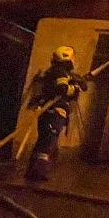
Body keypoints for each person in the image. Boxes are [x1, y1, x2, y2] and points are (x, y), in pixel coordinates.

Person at [25, 45, 89, 181]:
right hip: (53, 112)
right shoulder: (60, 72)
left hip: (49, 112)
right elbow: (62, 89)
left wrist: (80, 82)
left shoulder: (59, 72)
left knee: (44, 142)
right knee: (47, 143)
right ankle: (38, 173)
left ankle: (32, 171)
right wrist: (75, 88)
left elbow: (72, 86)